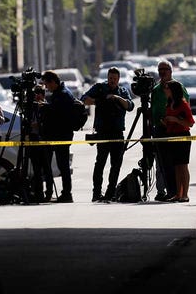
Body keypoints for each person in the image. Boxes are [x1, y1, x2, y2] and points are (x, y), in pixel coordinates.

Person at [81, 67, 135, 202]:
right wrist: (99, 101)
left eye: (115, 79)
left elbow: (130, 106)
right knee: (100, 164)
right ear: (107, 77)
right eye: (110, 78)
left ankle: (110, 192)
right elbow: (84, 98)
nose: (112, 81)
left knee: (116, 165)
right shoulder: (100, 88)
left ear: (118, 79)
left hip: (117, 133)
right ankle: (96, 193)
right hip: (103, 132)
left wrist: (116, 98)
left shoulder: (122, 91)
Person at [150, 60, 189, 201]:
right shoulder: (155, 89)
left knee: (178, 164)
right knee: (163, 163)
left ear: (171, 71)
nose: (162, 72)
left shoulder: (178, 87)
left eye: (165, 69)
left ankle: (180, 193)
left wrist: (173, 120)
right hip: (159, 129)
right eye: (160, 69)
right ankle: (168, 191)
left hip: (175, 130)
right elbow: (153, 109)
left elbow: (186, 110)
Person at [39, 70, 75, 203]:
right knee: (52, 165)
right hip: (56, 134)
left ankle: (66, 193)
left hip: (60, 135)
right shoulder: (58, 94)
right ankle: (50, 192)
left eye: (47, 85)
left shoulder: (63, 95)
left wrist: (45, 107)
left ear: (53, 82)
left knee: (63, 166)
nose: (46, 88)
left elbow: (58, 115)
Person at [161, 80, 195, 202]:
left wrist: (175, 120)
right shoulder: (169, 103)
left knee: (183, 166)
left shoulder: (183, 104)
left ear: (173, 90)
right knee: (176, 166)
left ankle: (185, 194)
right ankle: (178, 193)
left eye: (167, 88)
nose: (165, 90)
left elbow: (190, 123)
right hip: (172, 135)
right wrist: (166, 121)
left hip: (183, 136)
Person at [28, 84, 55, 202]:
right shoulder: (30, 108)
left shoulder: (47, 107)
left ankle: (49, 193)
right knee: (36, 168)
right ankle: (38, 192)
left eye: (41, 93)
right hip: (33, 139)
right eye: (36, 93)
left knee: (47, 168)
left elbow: (51, 123)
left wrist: (40, 124)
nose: (38, 96)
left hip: (46, 139)